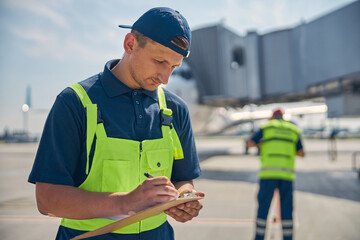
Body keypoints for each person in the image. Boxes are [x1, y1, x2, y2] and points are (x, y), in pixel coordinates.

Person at [28, 7, 204, 240]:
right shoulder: (75, 102)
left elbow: (183, 179)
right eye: (159, 61)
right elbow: (47, 200)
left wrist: (184, 197)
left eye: (173, 66)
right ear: (130, 44)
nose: (165, 77)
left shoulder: (176, 109)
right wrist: (126, 202)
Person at [246, 108, 305, 240]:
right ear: (283, 117)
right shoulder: (293, 129)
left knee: (263, 209)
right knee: (287, 210)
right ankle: (288, 237)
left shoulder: (267, 127)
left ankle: (259, 238)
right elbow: (301, 153)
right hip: (287, 176)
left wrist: (262, 144)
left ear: (272, 117)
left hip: (268, 175)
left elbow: (249, 143)